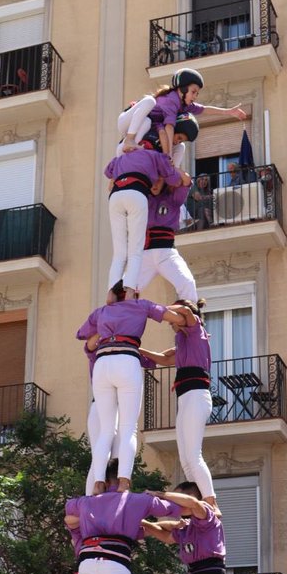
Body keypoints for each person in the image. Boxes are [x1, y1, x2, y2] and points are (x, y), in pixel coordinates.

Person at [76, 284, 187, 491]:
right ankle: (124, 481)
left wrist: (108, 320)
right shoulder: (141, 305)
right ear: (134, 293)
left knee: (106, 432)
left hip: (102, 363)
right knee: (128, 429)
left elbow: (85, 338)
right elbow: (177, 319)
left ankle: (99, 482)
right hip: (126, 359)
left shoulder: (102, 312)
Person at [141, 301, 216, 508]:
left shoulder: (195, 329)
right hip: (186, 398)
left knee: (193, 455)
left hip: (196, 395)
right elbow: (165, 359)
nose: (170, 323)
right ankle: (197, 501)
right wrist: (138, 350)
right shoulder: (183, 340)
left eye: (173, 321)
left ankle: (211, 503)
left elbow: (185, 311)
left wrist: (158, 309)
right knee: (185, 459)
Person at [104, 144, 185, 295]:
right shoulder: (155, 156)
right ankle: (128, 294)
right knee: (135, 252)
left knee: (119, 254)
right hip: (136, 193)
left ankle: (111, 293)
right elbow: (174, 180)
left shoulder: (121, 158)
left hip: (115, 197)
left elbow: (107, 171)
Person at [136, 127, 199, 301]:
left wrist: (169, 168)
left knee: (187, 283)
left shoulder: (173, 199)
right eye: (152, 180)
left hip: (166, 252)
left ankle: (193, 322)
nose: (154, 184)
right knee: (123, 290)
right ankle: (118, 324)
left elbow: (186, 180)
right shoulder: (142, 197)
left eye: (158, 180)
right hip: (143, 254)